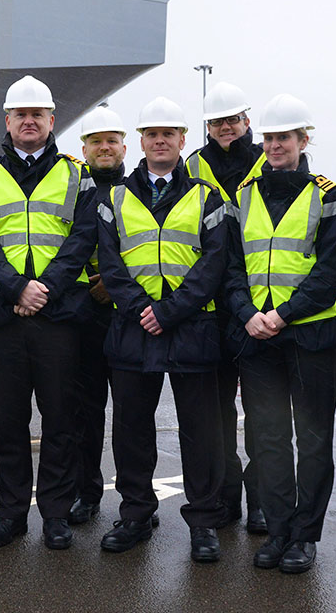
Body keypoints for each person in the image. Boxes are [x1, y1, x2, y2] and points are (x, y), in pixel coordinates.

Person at [0, 75, 98, 550]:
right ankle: (13, 514)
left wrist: (45, 289)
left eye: (37, 114)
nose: (28, 121)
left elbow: (82, 240)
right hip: (2, 318)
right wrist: (18, 287)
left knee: (61, 420)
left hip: (58, 318)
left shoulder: (78, 175)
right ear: (7, 121)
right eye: (20, 114)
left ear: (51, 120)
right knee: (11, 424)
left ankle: (56, 515)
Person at [97, 97, 227, 563]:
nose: (159, 141)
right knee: (131, 427)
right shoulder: (114, 198)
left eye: (168, 133)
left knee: (200, 431)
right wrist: (140, 308)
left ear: (182, 140)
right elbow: (110, 264)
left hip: (190, 325)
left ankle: (205, 521)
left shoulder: (208, 198)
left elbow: (214, 263)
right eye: (151, 134)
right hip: (133, 326)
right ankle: (135, 514)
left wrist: (169, 311)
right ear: (141, 141)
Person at [225, 94, 336, 574]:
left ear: (303, 140)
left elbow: (328, 269)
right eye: (271, 138)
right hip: (257, 337)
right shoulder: (245, 194)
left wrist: (283, 314)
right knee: (269, 438)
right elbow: (232, 268)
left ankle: (304, 536)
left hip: (310, 336)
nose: (276, 146)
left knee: (314, 440)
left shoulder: (328, 193)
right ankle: (278, 531)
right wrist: (247, 312)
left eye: (285, 138)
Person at [184, 81, 267, 533]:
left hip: (256, 299)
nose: (225, 128)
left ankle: (260, 502)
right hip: (210, 306)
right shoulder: (193, 164)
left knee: (261, 414)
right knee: (215, 417)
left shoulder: (267, 158)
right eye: (217, 122)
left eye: (232, 120)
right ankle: (223, 498)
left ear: (247, 120)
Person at [67, 105, 125, 525]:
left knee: (130, 417)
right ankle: (84, 493)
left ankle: (134, 501)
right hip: (83, 314)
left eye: (111, 141)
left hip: (126, 315)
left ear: (124, 146)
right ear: (83, 148)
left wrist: (114, 283)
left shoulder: (141, 188)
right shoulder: (71, 189)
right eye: (96, 142)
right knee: (83, 413)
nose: (104, 148)